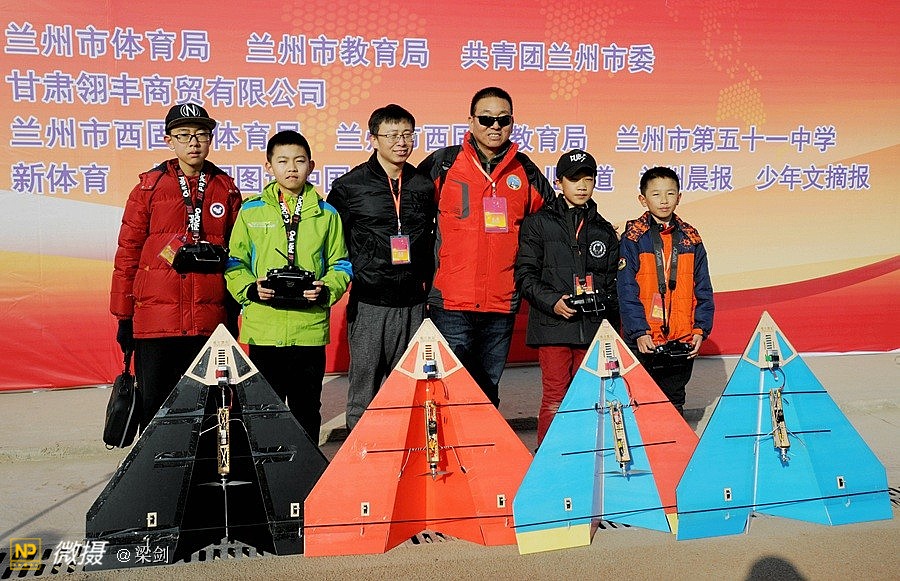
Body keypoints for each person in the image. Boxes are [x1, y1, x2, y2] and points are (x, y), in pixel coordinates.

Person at [418, 86, 555, 407]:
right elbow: (408, 214)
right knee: (449, 389)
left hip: (501, 302)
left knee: (487, 390)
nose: (495, 126)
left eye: (503, 120)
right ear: (471, 121)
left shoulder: (525, 170)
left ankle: (484, 441)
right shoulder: (444, 164)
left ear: (512, 122)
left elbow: (551, 224)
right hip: (451, 302)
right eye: (486, 119)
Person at [110, 104, 242, 430]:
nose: (193, 142)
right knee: (158, 413)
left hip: (208, 320)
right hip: (156, 323)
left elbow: (238, 256)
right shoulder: (148, 189)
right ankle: (158, 465)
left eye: (201, 134)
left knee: (210, 412)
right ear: (169, 140)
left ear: (210, 139)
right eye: (184, 135)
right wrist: (124, 318)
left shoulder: (225, 188)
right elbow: (127, 255)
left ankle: (204, 466)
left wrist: (233, 310)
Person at [225, 130, 352, 441]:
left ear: (311, 165)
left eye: (299, 161)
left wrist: (326, 290)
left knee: (306, 408)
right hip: (264, 327)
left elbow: (341, 264)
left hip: (308, 328)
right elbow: (235, 262)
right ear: (268, 166)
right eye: (282, 161)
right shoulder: (251, 210)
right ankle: (268, 467)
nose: (291, 168)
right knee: (264, 410)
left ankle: (306, 467)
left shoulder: (326, 214)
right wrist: (250, 289)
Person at [327, 104, 436, 431]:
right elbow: (333, 242)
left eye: (407, 134)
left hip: (414, 302)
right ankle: (360, 452)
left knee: (411, 387)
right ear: (374, 139)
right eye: (392, 135)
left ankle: (405, 451)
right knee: (365, 389)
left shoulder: (423, 184)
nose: (401, 142)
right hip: (371, 302)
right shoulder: (350, 187)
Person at [515, 149, 620, 446]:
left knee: (590, 397)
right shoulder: (538, 223)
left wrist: (610, 328)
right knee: (555, 397)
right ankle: (549, 456)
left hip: (592, 328)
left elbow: (612, 284)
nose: (582, 186)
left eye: (588, 179)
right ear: (559, 182)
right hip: (554, 327)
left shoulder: (604, 230)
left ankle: (585, 454)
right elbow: (524, 275)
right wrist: (553, 302)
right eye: (574, 180)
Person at [617, 166, 714, 415]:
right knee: (640, 403)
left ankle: (675, 442)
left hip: (682, 339)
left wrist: (700, 330)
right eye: (656, 194)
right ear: (643, 199)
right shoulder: (633, 237)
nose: (664, 200)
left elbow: (703, 288)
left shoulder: (691, 238)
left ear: (679, 197)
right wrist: (639, 332)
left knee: (674, 403)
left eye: (670, 193)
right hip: (645, 339)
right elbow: (626, 289)